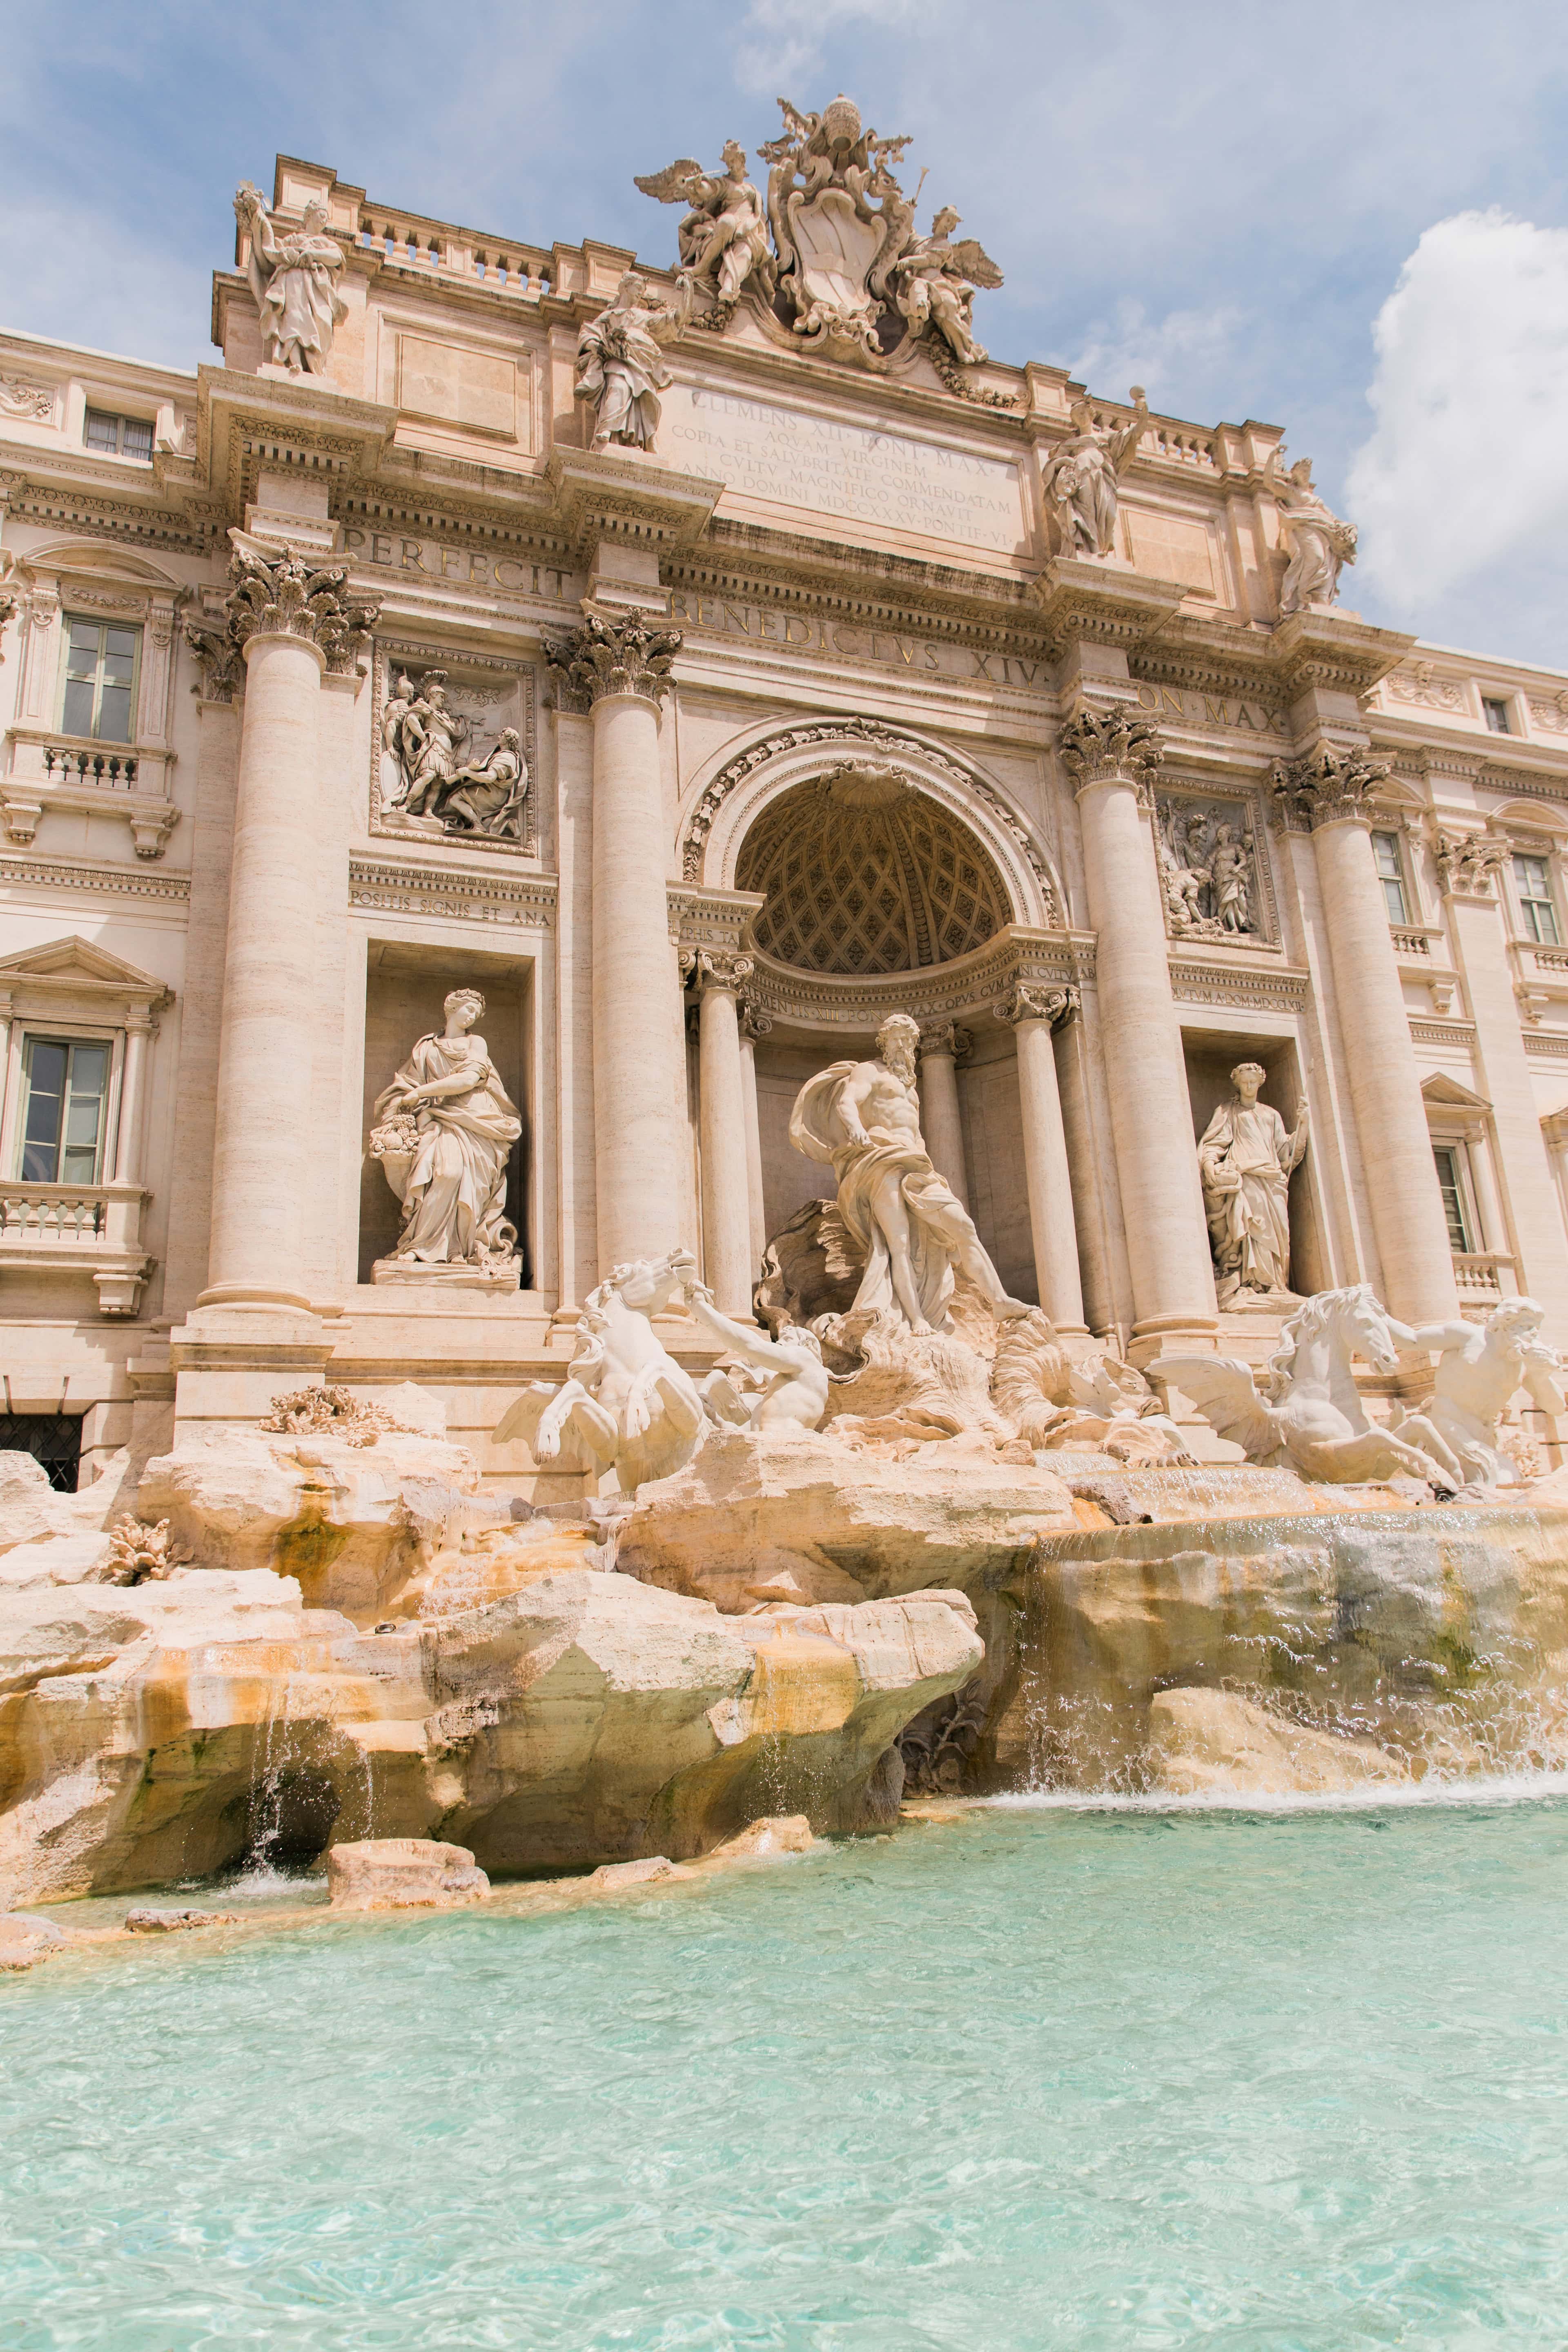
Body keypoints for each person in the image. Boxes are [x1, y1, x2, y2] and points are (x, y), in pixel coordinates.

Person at [789, 1011, 1029, 1334]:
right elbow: (847, 1102)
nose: (902, 1045)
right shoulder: (869, 1071)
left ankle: (999, 1300)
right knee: (897, 1244)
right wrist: (857, 1129)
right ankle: (915, 1320)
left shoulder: (911, 1089)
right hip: (879, 1160)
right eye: (895, 1039)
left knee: (962, 1224)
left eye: (908, 1040)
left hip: (916, 1165)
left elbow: (916, 1133)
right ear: (883, 1043)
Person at [372, 990, 521, 1269]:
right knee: (445, 1173)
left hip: (478, 1120)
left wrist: (421, 1094)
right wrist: (406, 1104)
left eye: (477, 1013)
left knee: (470, 1184)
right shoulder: (426, 1048)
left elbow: (468, 1079)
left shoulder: (476, 1042)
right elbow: (405, 1084)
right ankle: (421, 1246)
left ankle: (459, 1250)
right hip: (439, 1119)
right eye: (468, 1009)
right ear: (451, 1009)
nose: (473, 1016)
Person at [1198, 1062, 1307, 1303]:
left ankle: (1277, 1284)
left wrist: (1304, 1124)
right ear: (1238, 1084)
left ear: (1260, 1083)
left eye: (1253, 1082)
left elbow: (1286, 1152)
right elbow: (1214, 1144)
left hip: (1272, 1179)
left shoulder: (1271, 1115)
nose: (1249, 1086)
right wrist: (1208, 1166)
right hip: (1246, 1178)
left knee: (1277, 1232)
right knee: (1251, 1229)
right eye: (1245, 1082)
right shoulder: (1228, 1112)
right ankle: (1250, 1281)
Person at [235, 185, 347, 376]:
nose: (324, 219)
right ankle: (294, 361)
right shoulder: (292, 239)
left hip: (316, 288)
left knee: (321, 321)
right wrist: (258, 228)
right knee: (293, 321)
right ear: (309, 216)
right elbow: (269, 255)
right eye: (321, 214)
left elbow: (337, 257)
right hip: (293, 282)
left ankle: (314, 364)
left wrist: (311, 253)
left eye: (325, 217)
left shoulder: (327, 244)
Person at [574, 272, 690, 453]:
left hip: (642, 362)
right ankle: (607, 431)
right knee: (619, 388)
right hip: (618, 357)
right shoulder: (609, 316)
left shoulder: (643, 316)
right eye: (638, 288)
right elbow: (587, 334)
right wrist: (599, 347)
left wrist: (687, 292)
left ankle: (639, 440)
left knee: (643, 398)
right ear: (625, 287)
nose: (640, 294)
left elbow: (676, 319)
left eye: (643, 291)